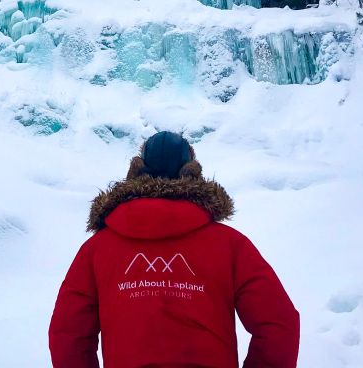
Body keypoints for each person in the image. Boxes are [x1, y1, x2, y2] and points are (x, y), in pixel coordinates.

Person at [49, 131, 299, 368]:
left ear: (136, 172)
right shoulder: (232, 245)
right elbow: (278, 325)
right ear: (192, 172)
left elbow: (68, 334)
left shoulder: (96, 249)